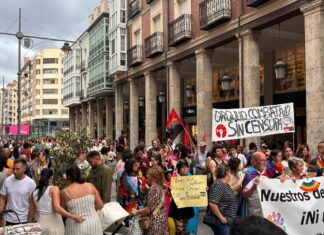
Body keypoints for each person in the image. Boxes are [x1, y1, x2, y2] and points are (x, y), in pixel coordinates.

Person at [28, 168, 84, 234]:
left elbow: (31, 214)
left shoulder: (34, 192)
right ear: (51, 177)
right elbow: (57, 208)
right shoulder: (54, 189)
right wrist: (74, 217)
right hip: (54, 225)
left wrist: (29, 228)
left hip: (40, 225)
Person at [60, 166, 104, 235]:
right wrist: (91, 207)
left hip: (75, 225)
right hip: (93, 222)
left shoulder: (64, 192)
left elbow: (63, 211)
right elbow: (100, 206)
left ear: (68, 177)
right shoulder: (90, 186)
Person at [132, 166, 168, 235]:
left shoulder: (153, 188)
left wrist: (137, 212)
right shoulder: (159, 187)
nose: (146, 177)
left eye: (148, 175)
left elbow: (149, 209)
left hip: (154, 223)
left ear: (153, 177)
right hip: (161, 221)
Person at [0, 158, 36, 225]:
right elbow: (2, 197)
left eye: (17, 169)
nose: (14, 171)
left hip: (23, 220)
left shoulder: (31, 183)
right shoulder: (7, 180)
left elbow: (32, 205)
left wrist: (29, 222)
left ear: (24, 169)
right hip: (8, 219)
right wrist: (2, 209)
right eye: (14, 168)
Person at [205, 164, 237, 235]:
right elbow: (212, 203)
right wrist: (221, 217)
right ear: (227, 172)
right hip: (221, 221)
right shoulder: (219, 185)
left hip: (225, 220)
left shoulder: (221, 184)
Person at [168, 159, 194, 235]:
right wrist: (170, 189)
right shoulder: (175, 179)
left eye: (187, 167)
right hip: (177, 208)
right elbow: (169, 194)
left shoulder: (192, 179)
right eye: (183, 167)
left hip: (187, 206)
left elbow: (197, 190)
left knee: (184, 230)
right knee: (179, 229)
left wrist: (203, 189)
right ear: (179, 169)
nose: (185, 169)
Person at [241, 152, 268, 216]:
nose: (265, 163)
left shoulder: (263, 174)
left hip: (263, 211)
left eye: (265, 160)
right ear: (254, 162)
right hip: (253, 212)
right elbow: (244, 194)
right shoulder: (249, 175)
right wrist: (253, 188)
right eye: (262, 160)